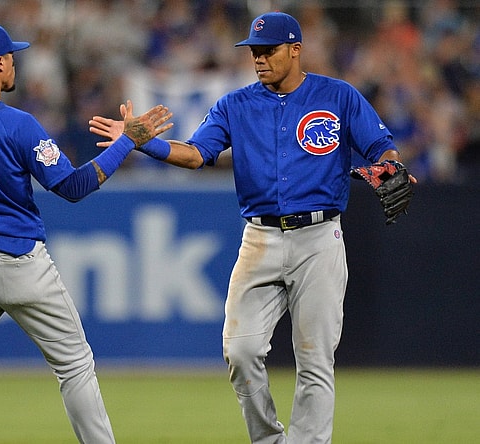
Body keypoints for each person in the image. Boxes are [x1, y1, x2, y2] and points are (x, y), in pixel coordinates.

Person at [89, 11, 415, 444]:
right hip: (260, 237)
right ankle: (268, 439)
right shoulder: (234, 104)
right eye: (254, 52)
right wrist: (139, 141)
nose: (259, 59)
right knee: (240, 351)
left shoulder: (337, 96)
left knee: (315, 359)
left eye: (269, 50)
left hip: (319, 238)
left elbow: (380, 147)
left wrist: (390, 165)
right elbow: (194, 154)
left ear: (295, 49)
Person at [0, 22, 172, 444]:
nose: (14, 62)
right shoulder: (17, 124)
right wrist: (126, 142)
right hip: (16, 259)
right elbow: (73, 187)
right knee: (74, 365)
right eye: (11, 56)